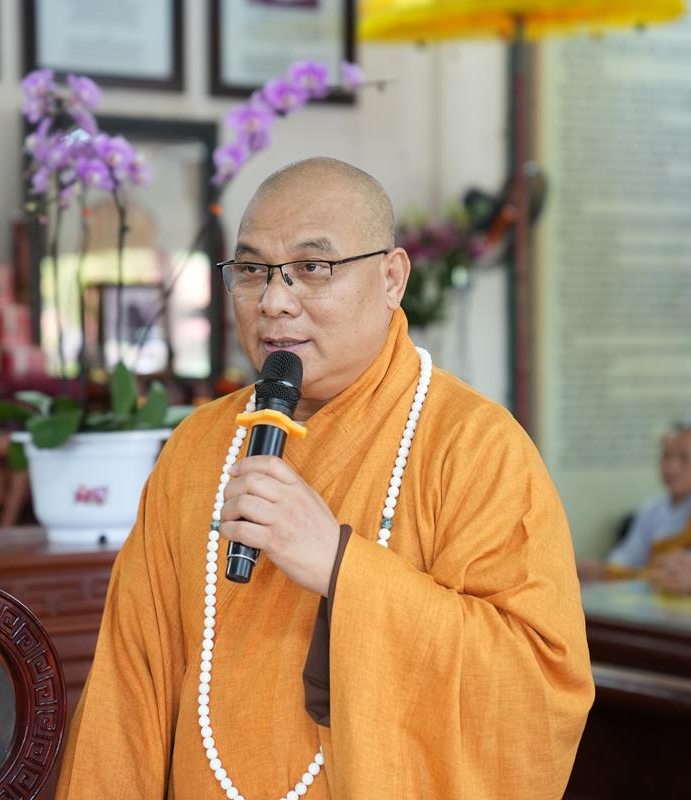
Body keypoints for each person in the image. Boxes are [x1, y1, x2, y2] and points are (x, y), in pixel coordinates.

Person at [55, 158, 594, 799]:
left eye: (312, 268)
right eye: (251, 270)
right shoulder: (198, 450)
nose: (274, 301)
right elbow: (127, 689)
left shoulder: (473, 446)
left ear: (392, 278)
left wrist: (342, 567)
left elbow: (534, 690)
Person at [578, 421, 691, 592]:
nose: (672, 467)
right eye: (666, 456)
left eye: (683, 458)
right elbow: (626, 561)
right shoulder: (651, 509)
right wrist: (601, 571)